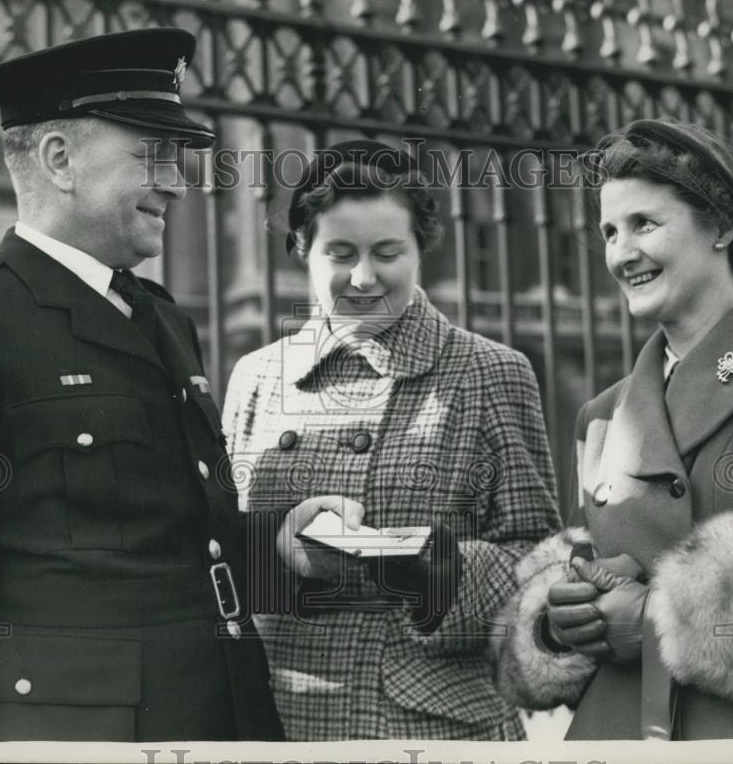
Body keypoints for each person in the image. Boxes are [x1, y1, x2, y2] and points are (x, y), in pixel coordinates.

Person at [0, 28, 283, 742]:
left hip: (217, 718)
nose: (177, 180)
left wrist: (287, 543)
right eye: (152, 156)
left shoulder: (158, 317)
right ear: (60, 160)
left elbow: (178, 543)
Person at [493, 118, 733, 739]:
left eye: (644, 225)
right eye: (608, 232)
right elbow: (589, 569)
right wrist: (558, 622)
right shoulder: (601, 415)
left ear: (722, 226)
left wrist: (659, 619)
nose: (621, 254)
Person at [221, 140, 562, 740]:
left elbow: (538, 559)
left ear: (420, 251)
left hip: (429, 725)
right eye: (339, 253)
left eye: (387, 253)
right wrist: (285, 551)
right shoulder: (255, 376)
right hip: (278, 714)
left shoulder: (489, 371)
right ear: (304, 250)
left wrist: (436, 573)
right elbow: (218, 552)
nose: (362, 277)